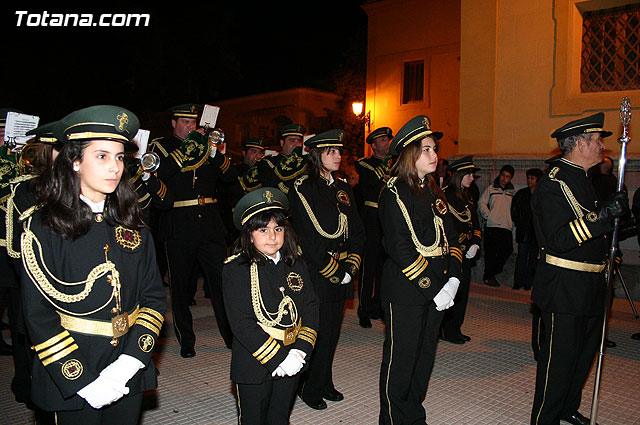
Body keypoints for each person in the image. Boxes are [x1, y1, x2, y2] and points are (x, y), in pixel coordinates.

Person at [20, 105, 166, 424]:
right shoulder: (44, 228)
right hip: (71, 371)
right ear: (74, 162)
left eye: (119, 157)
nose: (114, 166)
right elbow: (39, 315)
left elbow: (154, 299)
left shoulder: (133, 225)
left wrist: (129, 363)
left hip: (127, 364)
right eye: (101, 156)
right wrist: (83, 380)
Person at [530, 112, 628, 425]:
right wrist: (602, 217)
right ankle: (545, 418)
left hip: (591, 284)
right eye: (598, 140)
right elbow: (559, 238)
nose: (602, 147)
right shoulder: (553, 184)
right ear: (581, 143)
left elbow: (594, 232)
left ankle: (566, 407)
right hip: (564, 286)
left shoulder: (583, 180)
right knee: (558, 361)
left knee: (582, 356)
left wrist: (618, 219)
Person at [377, 115, 462, 425]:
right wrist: (433, 287)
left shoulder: (434, 191)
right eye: (427, 149)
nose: (434, 155)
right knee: (402, 357)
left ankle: (412, 413)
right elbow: (398, 247)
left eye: (435, 148)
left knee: (425, 355)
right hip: (407, 289)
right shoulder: (395, 191)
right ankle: (393, 418)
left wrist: (453, 279)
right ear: (411, 154)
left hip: (439, 288)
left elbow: (452, 239)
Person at [222, 187, 319, 425]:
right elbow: (241, 322)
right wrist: (278, 359)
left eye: (278, 229)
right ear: (249, 234)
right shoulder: (236, 268)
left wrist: (299, 351)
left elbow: (310, 306)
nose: (272, 236)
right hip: (255, 361)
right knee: (254, 418)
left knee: (279, 417)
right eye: (262, 230)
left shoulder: (295, 263)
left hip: (292, 354)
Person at [150, 104, 237, 356]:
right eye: (185, 122)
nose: (190, 126)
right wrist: (187, 150)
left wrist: (212, 151)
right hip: (178, 223)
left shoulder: (206, 146)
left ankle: (230, 336)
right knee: (180, 285)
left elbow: (230, 176)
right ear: (174, 124)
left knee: (221, 281)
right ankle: (186, 340)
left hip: (209, 223)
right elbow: (161, 174)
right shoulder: (162, 147)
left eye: (193, 122)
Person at [288, 129, 364, 410]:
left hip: (342, 268)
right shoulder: (302, 187)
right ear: (316, 155)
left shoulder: (343, 188)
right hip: (318, 270)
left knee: (332, 330)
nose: (337, 156)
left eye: (339, 151)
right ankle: (308, 388)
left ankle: (324, 381)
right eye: (331, 151)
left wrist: (350, 266)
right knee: (315, 331)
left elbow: (357, 230)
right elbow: (306, 237)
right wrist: (334, 269)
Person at [440, 155, 482, 344]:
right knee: (450, 290)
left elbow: (475, 223)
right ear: (459, 175)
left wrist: (475, 242)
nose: (472, 178)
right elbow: (445, 227)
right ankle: (445, 329)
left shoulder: (467, 196)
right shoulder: (444, 195)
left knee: (462, 292)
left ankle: (455, 327)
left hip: (466, 251)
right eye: (469, 174)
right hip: (451, 253)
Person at [355, 126, 393, 328]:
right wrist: (387, 165)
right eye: (382, 140)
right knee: (368, 266)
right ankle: (364, 309)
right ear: (373, 145)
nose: (386, 143)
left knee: (384, 267)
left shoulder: (394, 164)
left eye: (388, 140)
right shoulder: (365, 164)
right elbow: (372, 182)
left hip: (388, 217)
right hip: (371, 217)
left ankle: (379, 306)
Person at [240, 124, 307, 194]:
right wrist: (295, 157)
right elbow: (270, 182)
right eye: (292, 141)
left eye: (299, 141)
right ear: (282, 143)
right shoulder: (268, 162)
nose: (297, 145)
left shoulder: (305, 160)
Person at [479, 164, 516, 286]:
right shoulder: (491, 189)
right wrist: (489, 216)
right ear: (499, 175)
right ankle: (488, 276)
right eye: (503, 175)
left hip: (506, 226)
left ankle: (494, 272)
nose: (504, 179)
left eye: (508, 177)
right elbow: (481, 203)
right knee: (491, 252)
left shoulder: (512, 191)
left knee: (507, 249)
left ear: (510, 179)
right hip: (492, 225)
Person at [511, 168, 543, 290]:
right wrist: (519, 223)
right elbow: (514, 209)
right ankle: (518, 281)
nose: (529, 181)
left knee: (533, 258)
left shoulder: (541, 195)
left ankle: (528, 282)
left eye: (532, 178)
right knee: (522, 257)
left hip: (536, 232)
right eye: (528, 178)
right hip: (524, 231)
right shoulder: (521, 193)